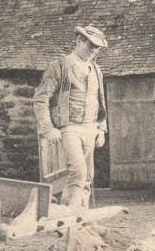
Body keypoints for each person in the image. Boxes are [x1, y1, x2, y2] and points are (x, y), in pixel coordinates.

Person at [33, 25, 109, 208]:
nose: (93, 51)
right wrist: (48, 128)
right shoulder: (60, 65)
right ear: (79, 41)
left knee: (88, 177)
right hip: (69, 128)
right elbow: (40, 99)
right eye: (90, 45)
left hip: (90, 129)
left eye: (97, 48)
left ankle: (80, 220)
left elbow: (100, 103)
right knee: (78, 172)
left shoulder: (96, 70)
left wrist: (101, 129)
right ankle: (67, 216)